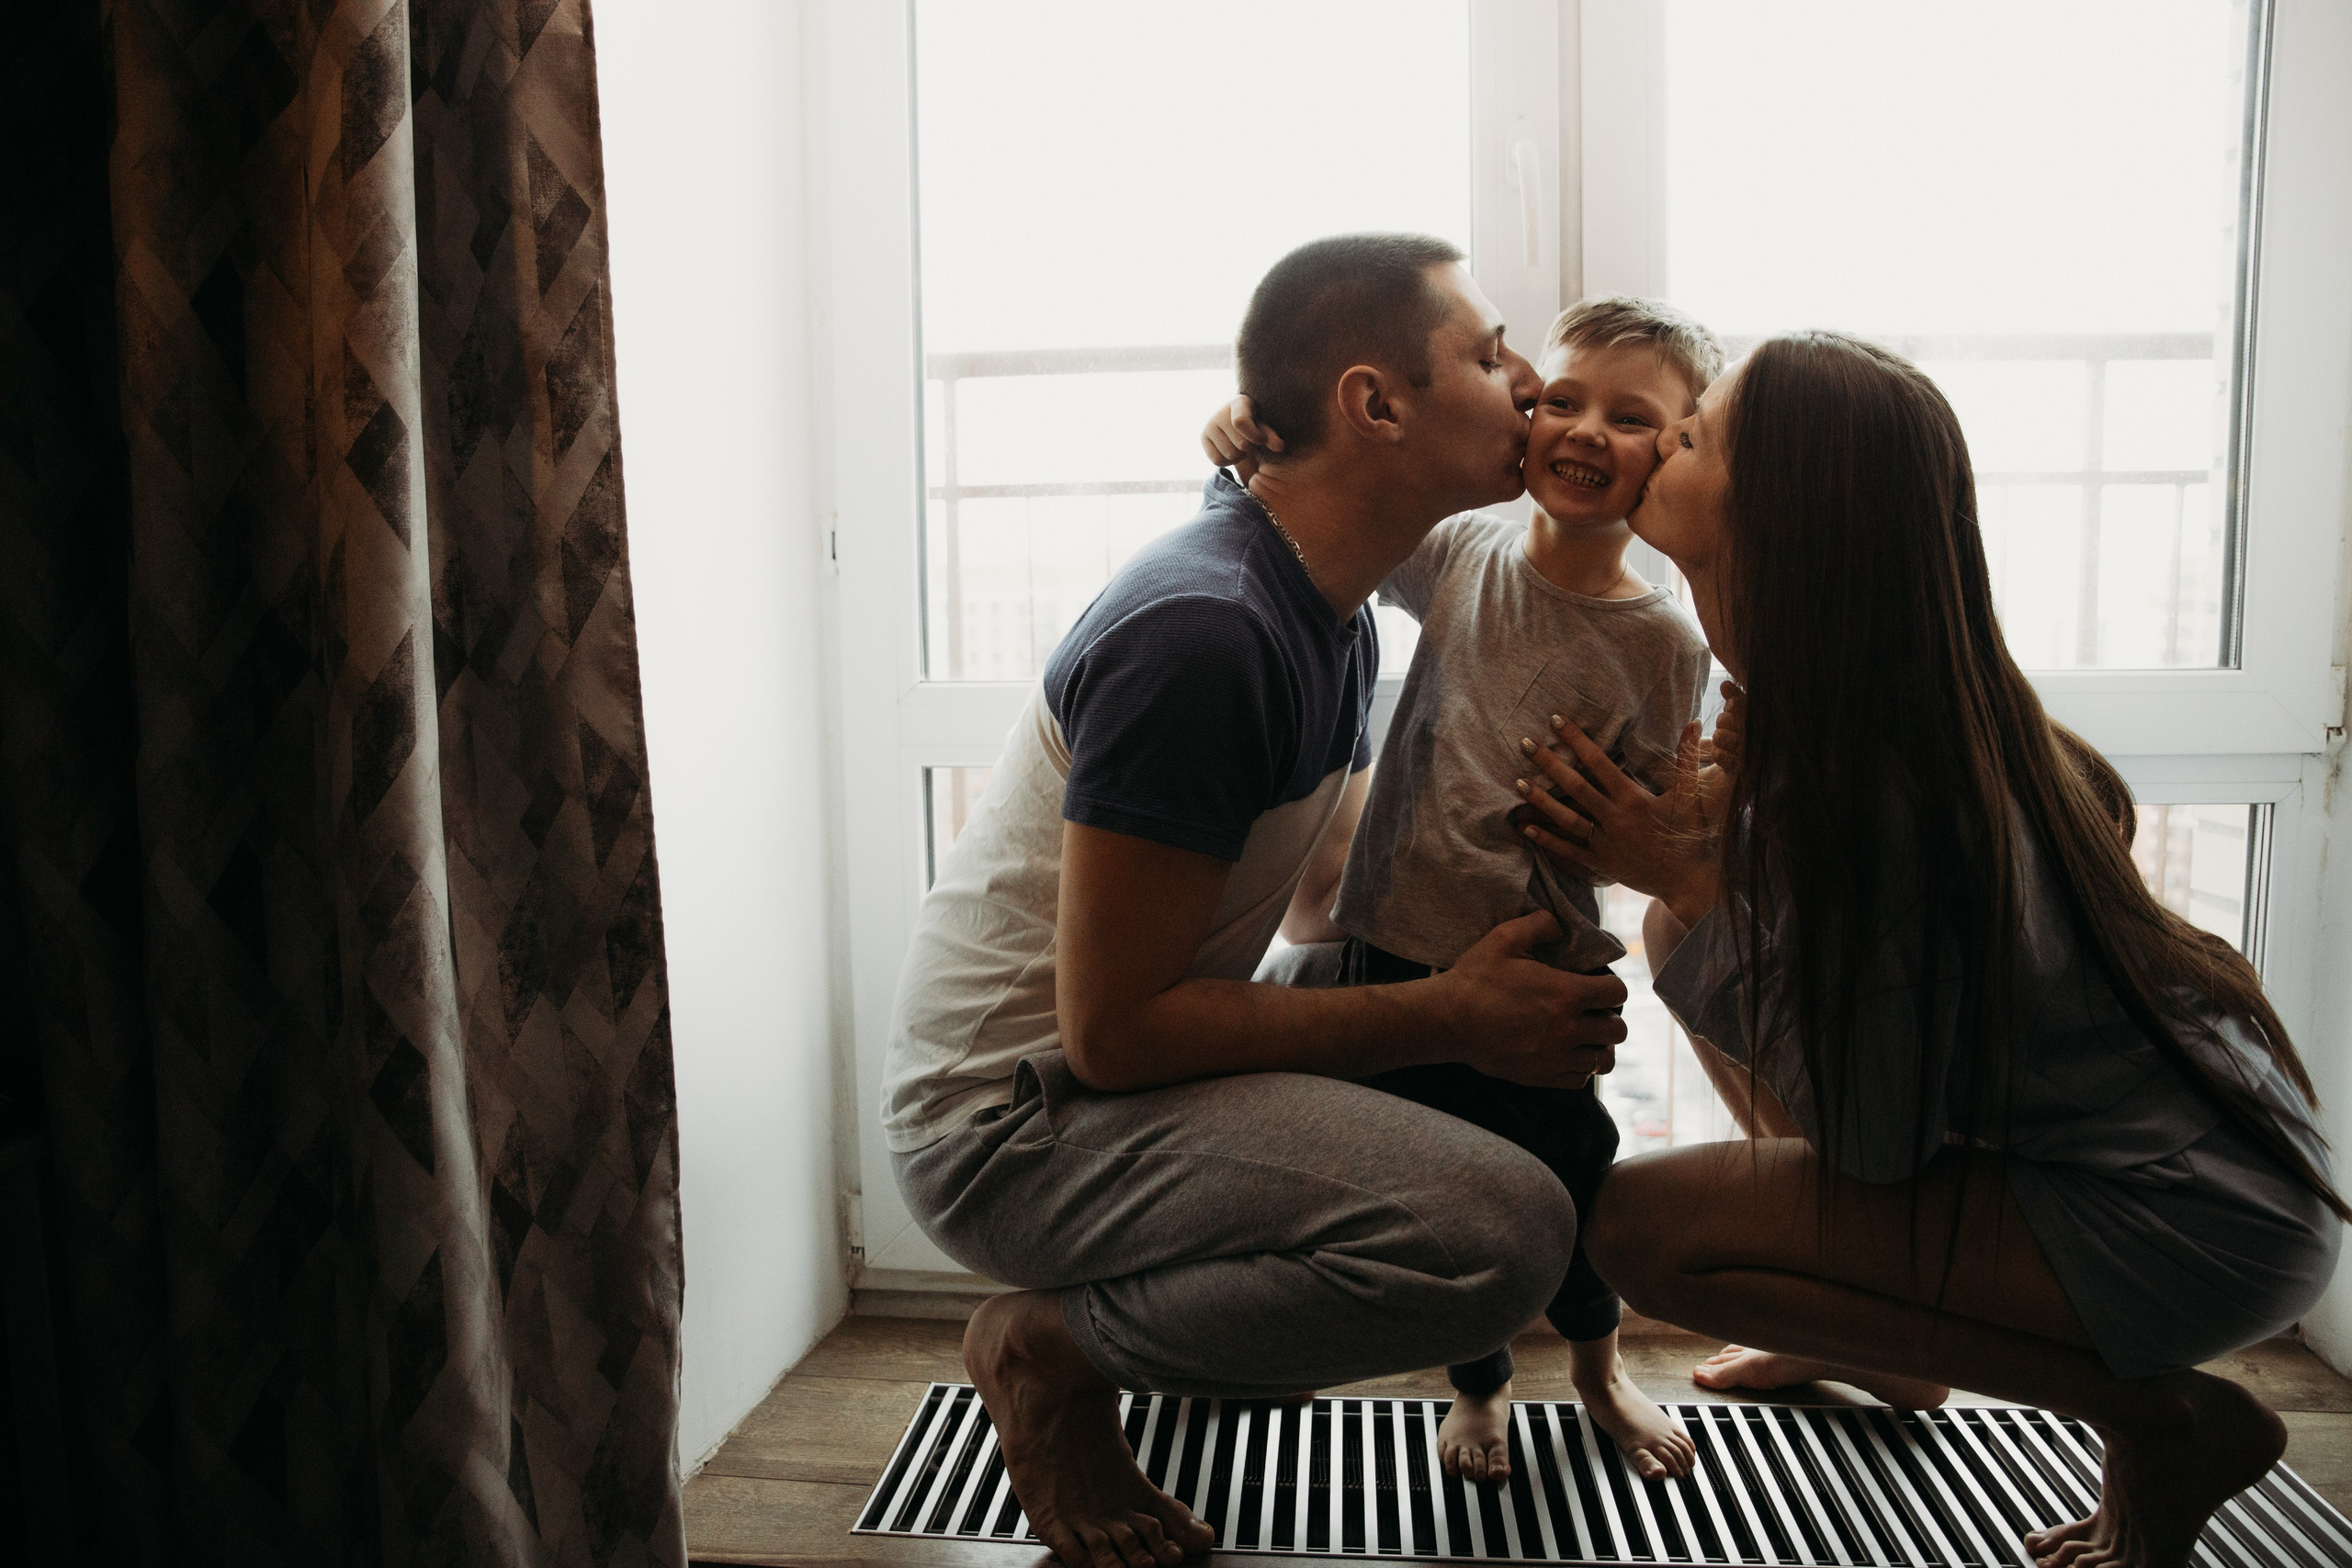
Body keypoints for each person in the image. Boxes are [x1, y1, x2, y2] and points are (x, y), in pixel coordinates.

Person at [1510, 330, 2345, 1568]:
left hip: (2188, 1226)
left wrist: (1687, 871)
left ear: (1777, 517)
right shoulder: (1861, 704)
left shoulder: (1884, 793)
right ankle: (1876, 1339)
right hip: (2204, 1171)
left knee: (1635, 1231)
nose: (1661, 444)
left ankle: (2156, 1418)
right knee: (1689, 928)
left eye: (1693, 434)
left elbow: (1875, 1143)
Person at [881, 233, 1630, 1568]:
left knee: (1459, 1045)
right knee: (1501, 1240)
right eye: (1489, 353)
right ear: (1375, 404)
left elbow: (1318, 906)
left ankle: (1177, 1329)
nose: (1528, 383)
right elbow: (1115, 1033)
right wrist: (1453, 1016)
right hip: (1008, 1123)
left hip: (1107, 1073)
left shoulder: (1320, 601)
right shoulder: (1206, 633)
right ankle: (1048, 1354)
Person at [1199, 294, 1721, 1484]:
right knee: (1446, 1200)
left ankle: (1598, 1370)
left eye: (1630, 416)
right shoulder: (1460, 552)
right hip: (1393, 958)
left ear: (1675, 452)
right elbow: (1325, 519)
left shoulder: (1665, 644)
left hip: (1540, 972)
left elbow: (1651, 827)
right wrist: (1246, 436)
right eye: (1562, 400)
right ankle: (1476, 1388)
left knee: (1569, 1188)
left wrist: (1655, 834)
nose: (1584, 430)